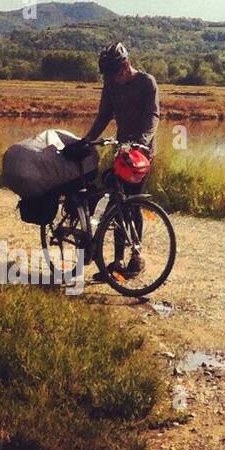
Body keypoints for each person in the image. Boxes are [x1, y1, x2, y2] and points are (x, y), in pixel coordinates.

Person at [70, 43, 160, 280]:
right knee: (115, 200)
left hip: (141, 152)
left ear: (126, 65)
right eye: (107, 75)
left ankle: (136, 258)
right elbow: (104, 115)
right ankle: (118, 261)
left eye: (114, 73)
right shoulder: (110, 83)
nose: (111, 79)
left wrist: (142, 141)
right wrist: (87, 139)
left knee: (132, 202)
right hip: (121, 148)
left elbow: (153, 115)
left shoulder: (146, 82)